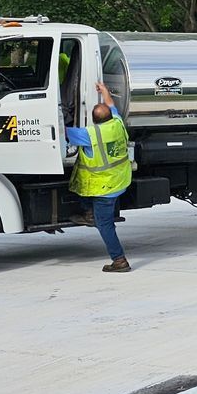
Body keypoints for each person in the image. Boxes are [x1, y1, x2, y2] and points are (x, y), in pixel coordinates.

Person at [66, 80, 134, 273]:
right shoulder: (118, 123)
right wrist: (104, 91)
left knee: (105, 224)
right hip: (119, 180)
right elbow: (111, 106)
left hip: (104, 187)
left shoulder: (89, 135)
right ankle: (89, 214)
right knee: (78, 186)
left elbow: (60, 131)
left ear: (94, 120)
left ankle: (119, 260)